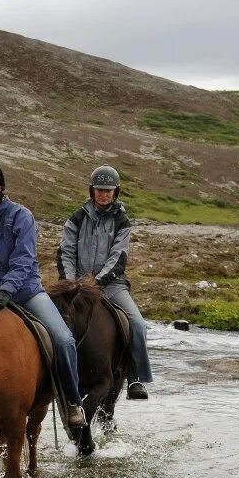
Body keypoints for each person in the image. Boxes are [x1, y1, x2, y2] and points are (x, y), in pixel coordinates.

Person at [0, 157, 87, 434]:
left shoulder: (22, 217)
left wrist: (7, 289)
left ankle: (73, 403)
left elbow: (23, 260)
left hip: (26, 293)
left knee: (63, 339)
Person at [58, 164, 152, 399]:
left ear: (115, 192)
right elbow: (66, 252)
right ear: (92, 191)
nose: (104, 194)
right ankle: (52, 374)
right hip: (77, 284)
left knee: (138, 324)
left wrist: (98, 282)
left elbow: (118, 257)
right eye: (100, 189)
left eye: (108, 190)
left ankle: (135, 378)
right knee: (54, 319)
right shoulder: (77, 218)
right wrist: (70, 283)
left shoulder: (122, 221)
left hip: (111, 285)